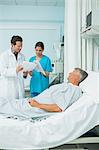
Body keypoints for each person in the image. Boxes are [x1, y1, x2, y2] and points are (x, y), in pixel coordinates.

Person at [0, 68, 88, 118]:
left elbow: (59, 108)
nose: (69, 73)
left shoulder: (73, 89)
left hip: (32, 107)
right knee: (5, 102)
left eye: (72, 72)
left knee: (4, 105)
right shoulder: (68, 86)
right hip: (29, 103)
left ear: (76, 77)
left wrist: (37, 105)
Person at [0, 35, 26, 99]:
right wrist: (15, 70)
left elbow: (22, 73)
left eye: (21, 46)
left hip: (19, 88)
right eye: (18, 46)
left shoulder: (22, 56)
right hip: (8, 89)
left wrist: (25, 74)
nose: (20, 48)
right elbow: (3, 71)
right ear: (12, 45)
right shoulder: (4, 55)